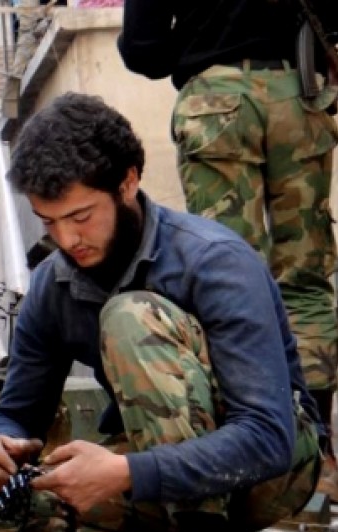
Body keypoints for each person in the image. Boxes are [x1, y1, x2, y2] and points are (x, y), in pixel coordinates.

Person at [0, 93, 320, 532]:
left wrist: (125, 472)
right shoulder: (52, 286)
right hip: (154, 477)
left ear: (128, 182)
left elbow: (268, 439)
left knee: (126, 317)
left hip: (268, 474)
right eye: (47, 222)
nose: (67, 239)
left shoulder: (215, 262)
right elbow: (20, 412)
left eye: (80, 216)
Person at [117, 0, 338, 500]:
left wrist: (204, 48)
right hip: (295, 95)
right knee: (305, 280)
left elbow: (143, 49)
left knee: (226, 279)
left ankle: (239, 445)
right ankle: (317, 453)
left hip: (215, 101)